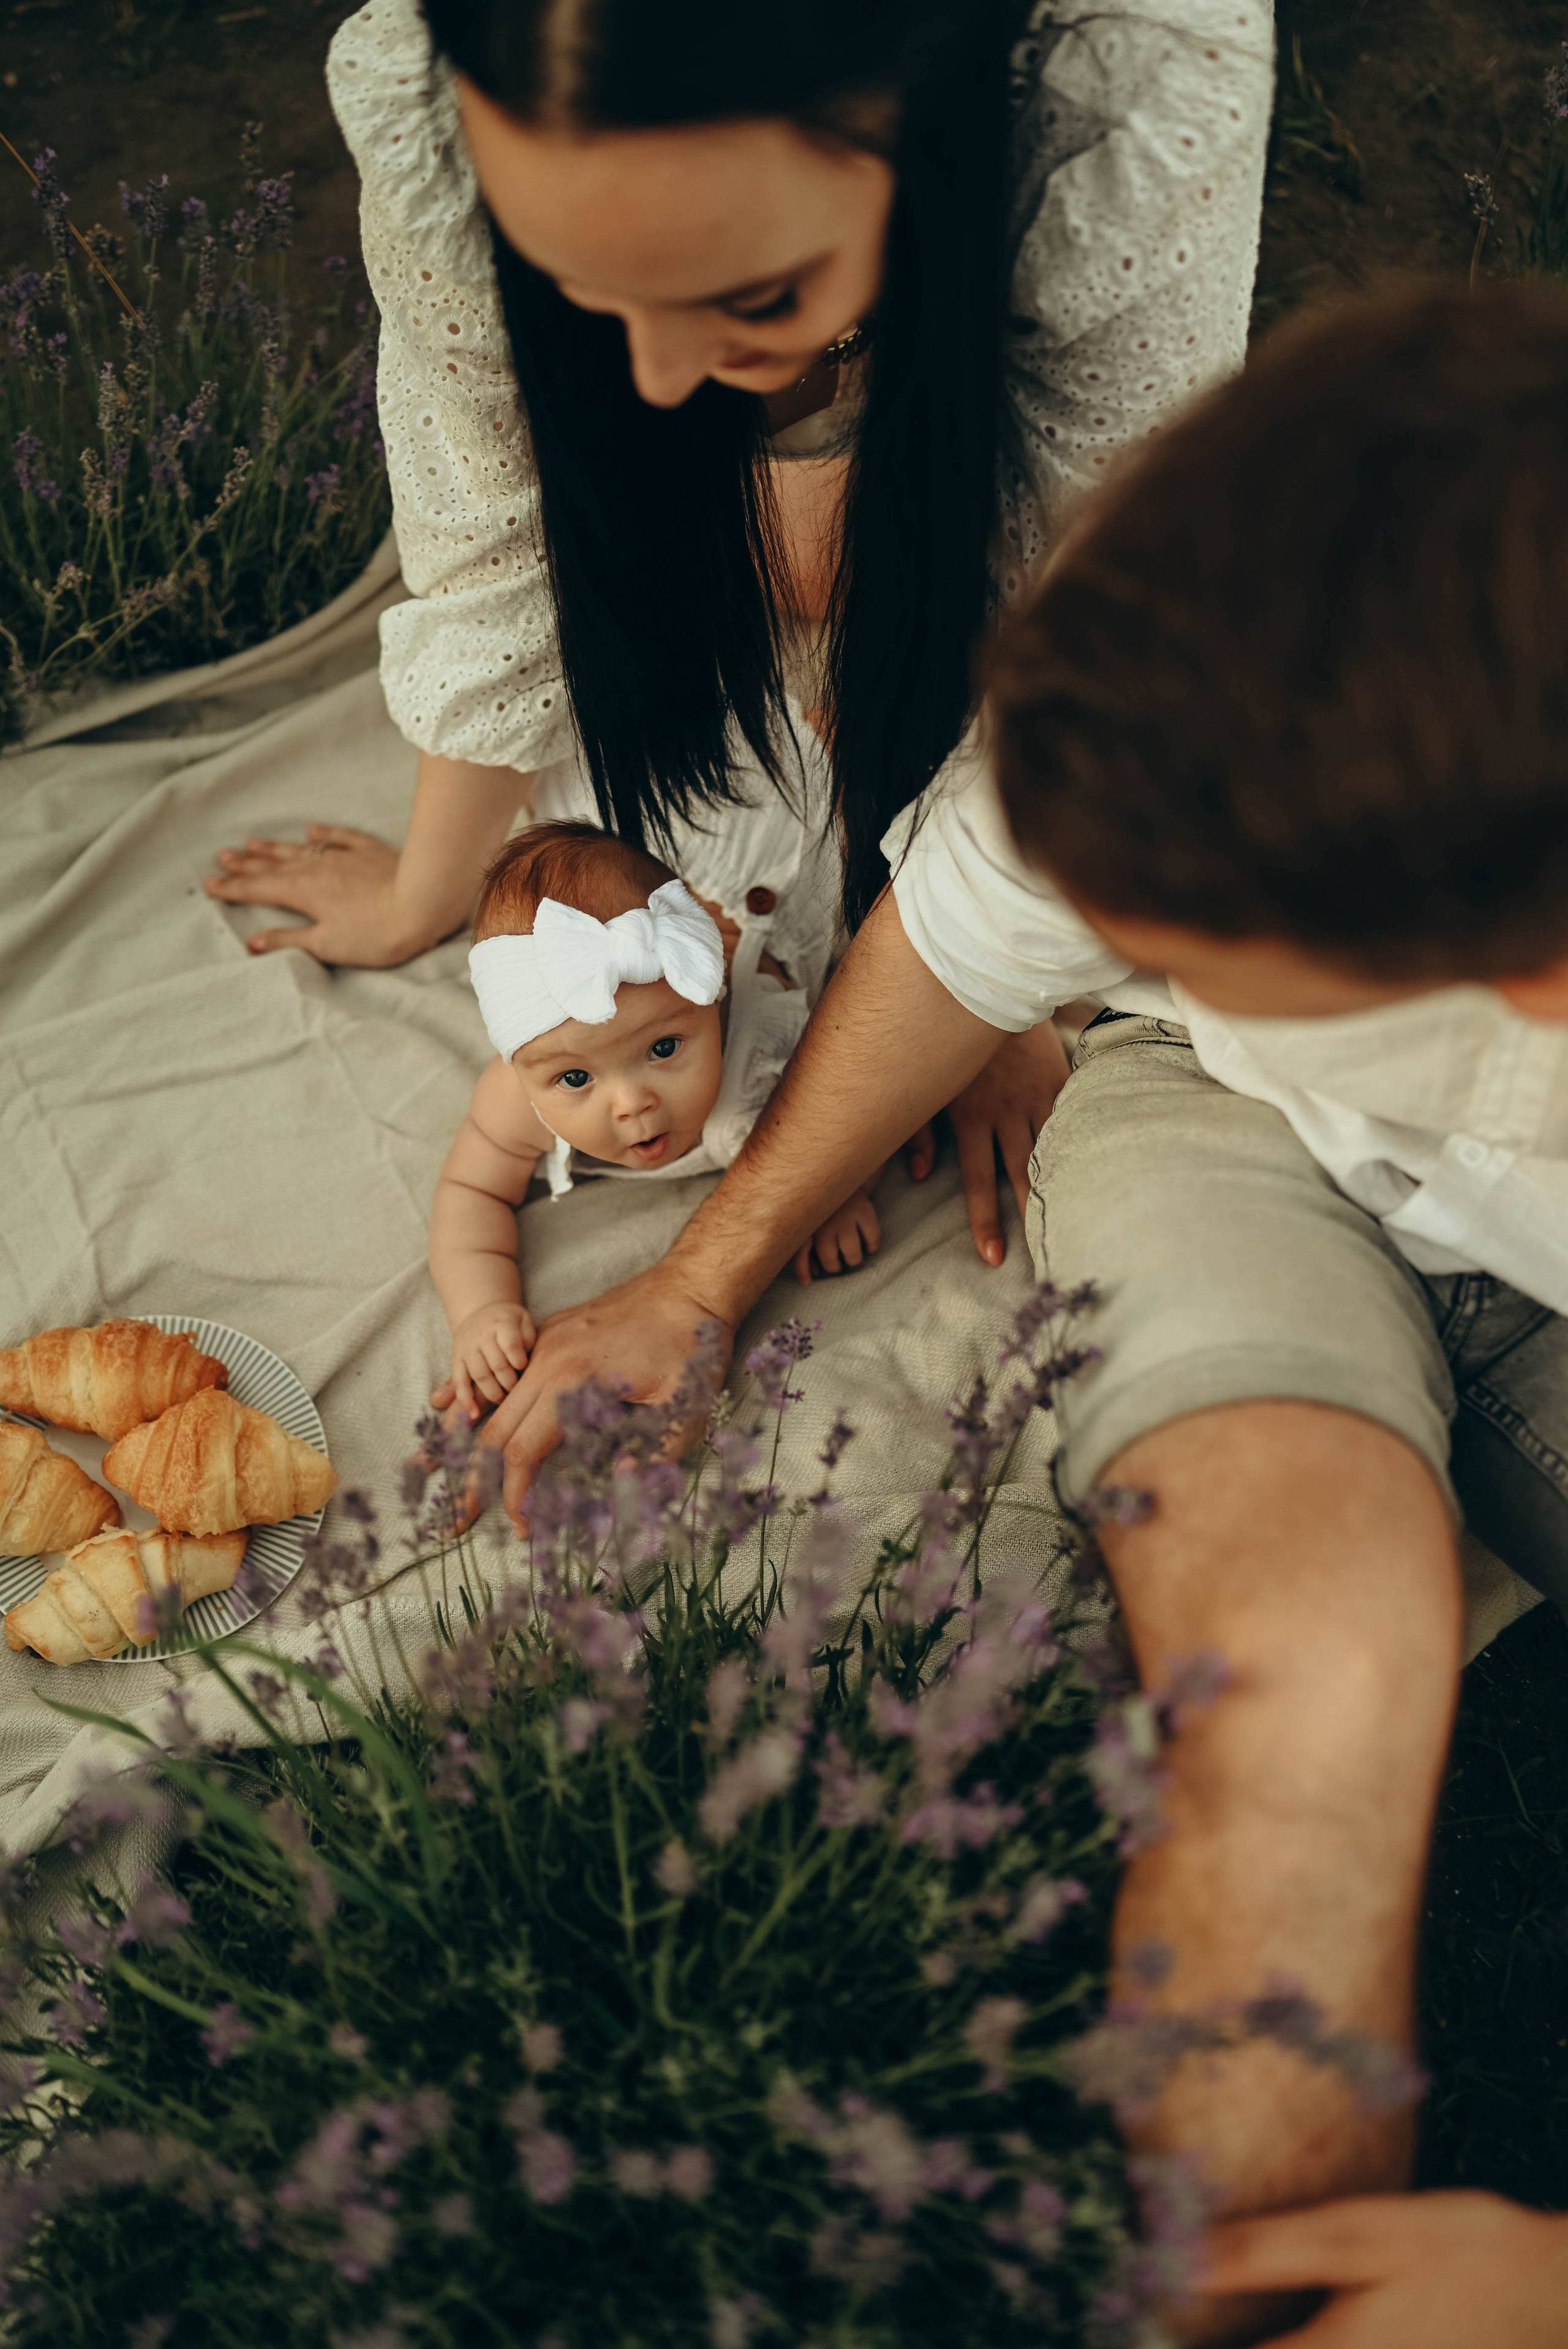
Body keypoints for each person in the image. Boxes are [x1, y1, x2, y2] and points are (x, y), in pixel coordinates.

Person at [477, 279, 1568, 2343]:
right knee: (1288, 1669)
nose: (1069, 946)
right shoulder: (1247, 636)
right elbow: (963, 940)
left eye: (1171, 928)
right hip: (1230, 1134)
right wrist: (697, 1281)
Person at [202, 0, 1274, 1263]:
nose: (658, 382)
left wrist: (986, 989)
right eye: (584, 295)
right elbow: (498, 542)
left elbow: (1085, 619)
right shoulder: (439, 86)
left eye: (752, 296)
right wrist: (426, 893)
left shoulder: (1127, 101)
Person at [429, 820, 881, 1417]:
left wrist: (841, 1184)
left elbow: (858, 1089)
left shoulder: (766, 1044)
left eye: (663, 1048)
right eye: (575, 1079)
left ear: (713, 1000)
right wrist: (480, 1310)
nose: (632, 1103)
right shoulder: (515, 1100)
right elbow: (470, 1192)